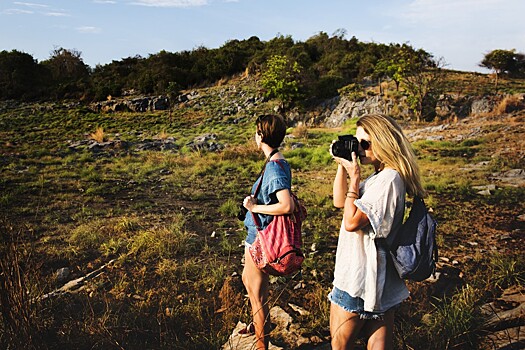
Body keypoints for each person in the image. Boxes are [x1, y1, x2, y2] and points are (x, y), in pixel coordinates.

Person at [328, 114, 426, 349]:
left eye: (365, 144)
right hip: (377, 277)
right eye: (357, 142)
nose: (360, 149)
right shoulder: (380, 177)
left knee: (339, 345)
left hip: (359, 277)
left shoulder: (389, 179)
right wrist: (343, 165)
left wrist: (355, 178)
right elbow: (340, 201)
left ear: (384, 142)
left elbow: (351, 221)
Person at [240, 114, 294, 349]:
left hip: (261, 239)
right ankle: (258, 328)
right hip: (257, 236)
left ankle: (262, 345)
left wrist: (254, 207)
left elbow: (286, 204)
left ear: (261, 135)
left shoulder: (274, 167)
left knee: (257, 298)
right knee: (249, 282)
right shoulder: (278, 162)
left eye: (256, 131)